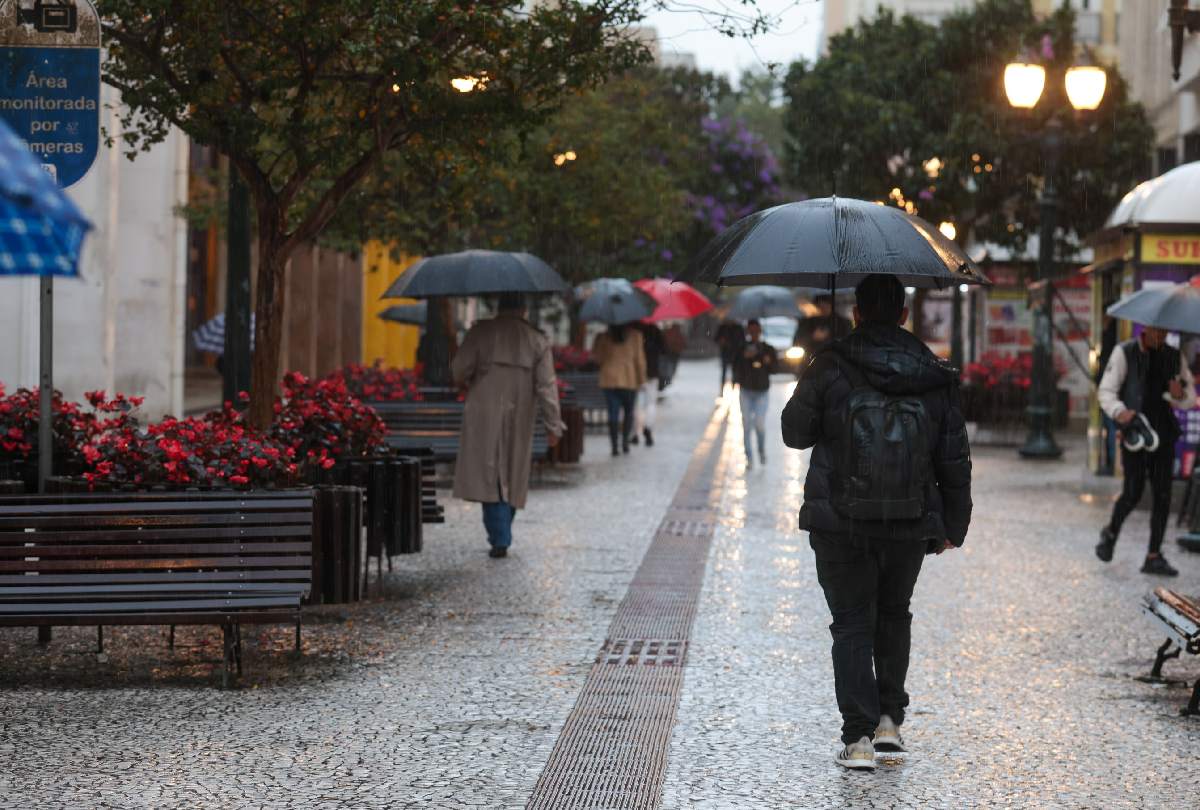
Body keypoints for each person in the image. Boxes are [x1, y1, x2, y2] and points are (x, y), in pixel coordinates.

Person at [781, 274, 972, 771]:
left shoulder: (831, 365)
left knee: (850, 625)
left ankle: (858, 739)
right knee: (893, 614)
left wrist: (823, 380)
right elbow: (954, 458)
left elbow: (794, 433)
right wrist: (954, 523)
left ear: (858, 312)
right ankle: (890, 721)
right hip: (909, 521)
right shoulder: (934, 372)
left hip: (841, 520)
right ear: (905, 314)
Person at [451, 293, 564, 559]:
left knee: (489, 474)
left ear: (498, 307)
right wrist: (553, 425)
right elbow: (547, 386)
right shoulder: (537, 340)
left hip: (483, 410)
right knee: (512, 473)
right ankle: (502, 533)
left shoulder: (480, 333)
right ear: (524, 309)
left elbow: (458, 371)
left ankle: (499, 536)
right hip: (520, 411)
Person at [1095, 324, 1196, 576]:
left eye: (1164, 332)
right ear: (1145, 330)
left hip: (1163, 433)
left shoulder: (1174, 357)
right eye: (1156, 331)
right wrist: (1120, 411)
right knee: (1133, 490)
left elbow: (1189, 398)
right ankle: (1110, 533)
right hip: (1136, 433)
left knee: (1163, 494)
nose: (1160, 336)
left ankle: (1154, 555)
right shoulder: (1125, 352)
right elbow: (1106, 391)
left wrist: (1179, 394)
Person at [592, 323, 646, 456]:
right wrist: (642, 380)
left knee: (613, 413)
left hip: (609, 379)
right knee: (628, 412)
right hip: (629, 379)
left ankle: (614, 445)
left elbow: (597, 359)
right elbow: (639, 360)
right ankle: (625, 443)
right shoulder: (636, 336)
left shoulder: (604, 337)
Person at [732, 319, 777, 468]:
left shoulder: (767, 348)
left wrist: (767, 360)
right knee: (746, 425)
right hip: (746, 390)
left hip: (762, 391)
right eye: (751, 331)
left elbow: (775, 369)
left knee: (759, 424)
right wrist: (745, 358)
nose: (754, 334)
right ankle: (749, 457)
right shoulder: (741, 348)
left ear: (760, 331)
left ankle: (761, 450)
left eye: (756, 331)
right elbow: (735, 367)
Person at [793, 294, 853, 369]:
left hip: (835, 364)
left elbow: (848, 341)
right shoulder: (806, 322)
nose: (822, 309)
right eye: (819, 307)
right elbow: (797, 341)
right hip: (809, 362)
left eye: (825, 306)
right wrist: (812, 337)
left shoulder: (842, 323)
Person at [631, 321, 665, 447]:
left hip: (636, 372)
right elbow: (664, 349)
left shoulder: (633, 330)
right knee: (650, 403)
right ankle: (648, 427)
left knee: (635, 404)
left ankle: (634, 433)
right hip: (652, 371)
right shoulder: (655, 330)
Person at [1096, 315, 1119, 475]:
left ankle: (1113, 464)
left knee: (1111, 428)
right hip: (1110, 388)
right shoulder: (1113, 336)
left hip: (1110, 390)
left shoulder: (1111, 336)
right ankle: (1112, 463)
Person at [715, 319, 745, 392]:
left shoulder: (738, 328)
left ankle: (734, 388)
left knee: (735, 372)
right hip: (725, 352)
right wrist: (721, 341)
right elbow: (716, 338)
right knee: (724, 372)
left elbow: (742, 340)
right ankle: (722, 389)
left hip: (736, 353)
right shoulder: (723, 327)